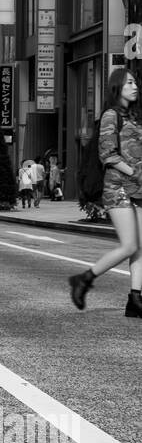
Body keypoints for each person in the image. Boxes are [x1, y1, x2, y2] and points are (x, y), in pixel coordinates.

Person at [69, 68, 142, 317]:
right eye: (129, 83)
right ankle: (84, 279)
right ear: (117, 87)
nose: (135, 86)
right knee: (130, 245)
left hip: (139, 190)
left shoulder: (133, 117)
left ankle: (135, 299)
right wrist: (134, 172)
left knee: (141, 247)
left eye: (135, 82)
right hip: (118, 188)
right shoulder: (111, 116)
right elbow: (108, 154)